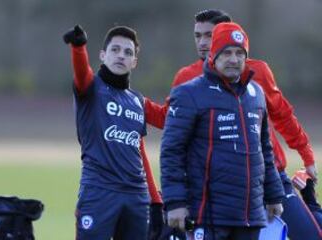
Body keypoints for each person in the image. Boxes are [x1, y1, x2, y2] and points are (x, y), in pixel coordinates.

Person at [144, 9, 322, 239]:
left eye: (209, 35)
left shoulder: (258, 75)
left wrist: (306, 155)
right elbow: (171, 129)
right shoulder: (187, 81)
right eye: (198, 36)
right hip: (216, 188)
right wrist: (136, 104)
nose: (202, 42)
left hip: (269, 177)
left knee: (309, 234)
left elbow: (283, 116)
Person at [160, 22, 285, 240]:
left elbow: (264, 150)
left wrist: (274, 194)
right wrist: (175, 202)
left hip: (250, 216)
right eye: (226, 53)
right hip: (208, 217)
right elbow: (172, 150)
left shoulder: (257, 94)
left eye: (239, 53)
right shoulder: (188, 94)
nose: (234, 59)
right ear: (213, 55)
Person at [63, 25, 163, 240]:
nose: (121, 56)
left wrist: (155, 201)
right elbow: (82, 74)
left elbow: (167, 121)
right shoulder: (91, 87)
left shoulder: (138, 101)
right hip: (100, 192)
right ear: (103, 55)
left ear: (134, 62)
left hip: (137, 197)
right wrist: (78, 47)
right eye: (115, 50)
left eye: (128, 53)